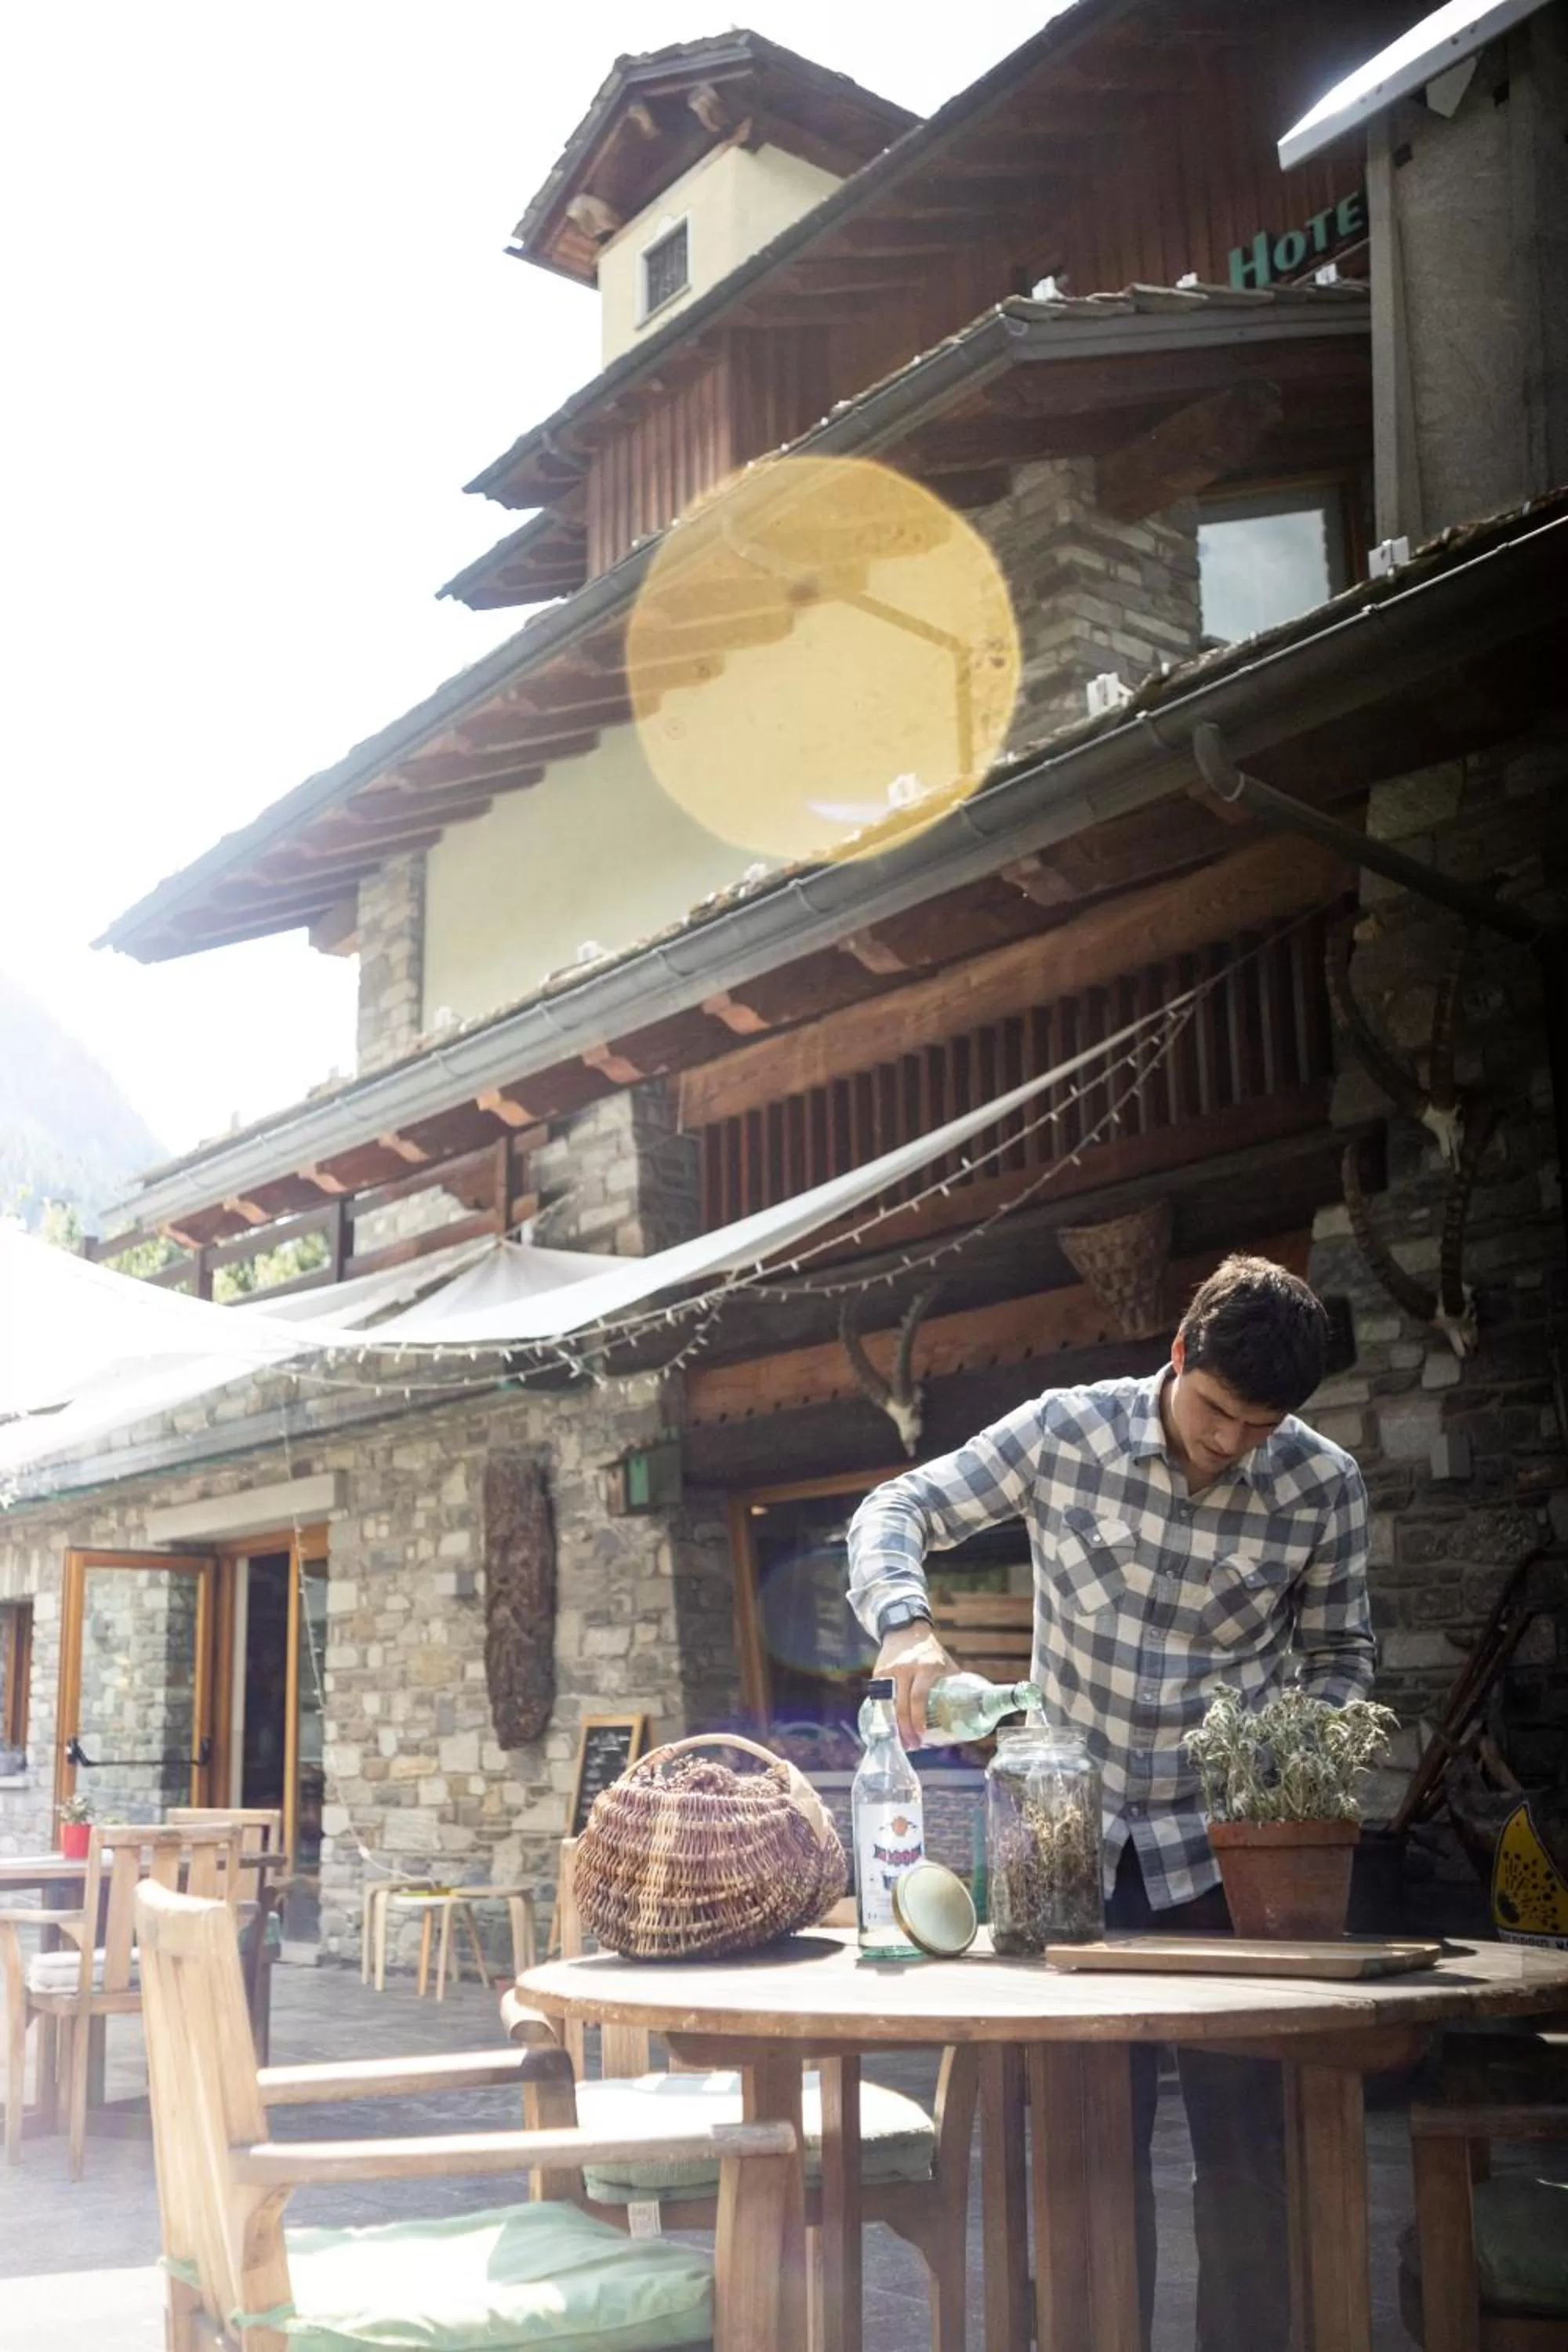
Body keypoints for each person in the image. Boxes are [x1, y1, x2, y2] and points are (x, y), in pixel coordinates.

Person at [846, 1253, 1374, 2352]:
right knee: (1086, 2155)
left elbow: (1340, 1659)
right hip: (1062, 1851)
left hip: (1226, 1856)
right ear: (1178, 1354)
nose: (1232, 1442)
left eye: (1261, 1427)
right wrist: (906, 1624)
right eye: (1218, 1410)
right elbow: (898, 1504)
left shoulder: (1323, 1487)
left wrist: (1293, 1777)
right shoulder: (1064, 1431)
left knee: (1250, 2157)